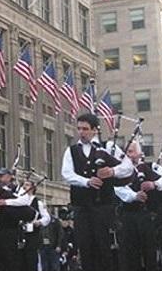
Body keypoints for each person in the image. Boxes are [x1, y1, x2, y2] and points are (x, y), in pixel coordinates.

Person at [61, 113, 133, 271]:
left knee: (104, 246)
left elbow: (128, 167)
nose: (81, 132)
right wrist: (86, 182)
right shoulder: (71, 151)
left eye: (85, 129)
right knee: (85, 247)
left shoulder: (107, 147)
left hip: (103, 207)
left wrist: (112, 171)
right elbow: (67, 174)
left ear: (94, 130)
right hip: (81, 206)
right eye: (79, 128)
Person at [114, 141, 162, 270]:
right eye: (127, 152)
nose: (129, 155)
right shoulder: (120, 171)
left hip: (146, 216)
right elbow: (117, 188)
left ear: (140, 154)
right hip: (127, 217)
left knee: (149, 252)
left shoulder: (147, 168)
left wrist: (154, 184)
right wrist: (134, 195)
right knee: (130, 254)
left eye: (132, 151)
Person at [0, 168, 33, 271]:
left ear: (9, 177)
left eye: (1, 176)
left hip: (10, 229)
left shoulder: (17, 189)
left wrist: (7, 202)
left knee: (11, 260)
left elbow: (25, 201)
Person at [18, 179, 50, 271]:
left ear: (33, 188)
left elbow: (46, 217)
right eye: (23, 185)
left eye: (27, 185)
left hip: (32, 234)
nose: (24, 187)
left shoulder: (38, 203)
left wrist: (39, 222)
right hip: (20, 233)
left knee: (31, 258)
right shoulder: (18, 200)